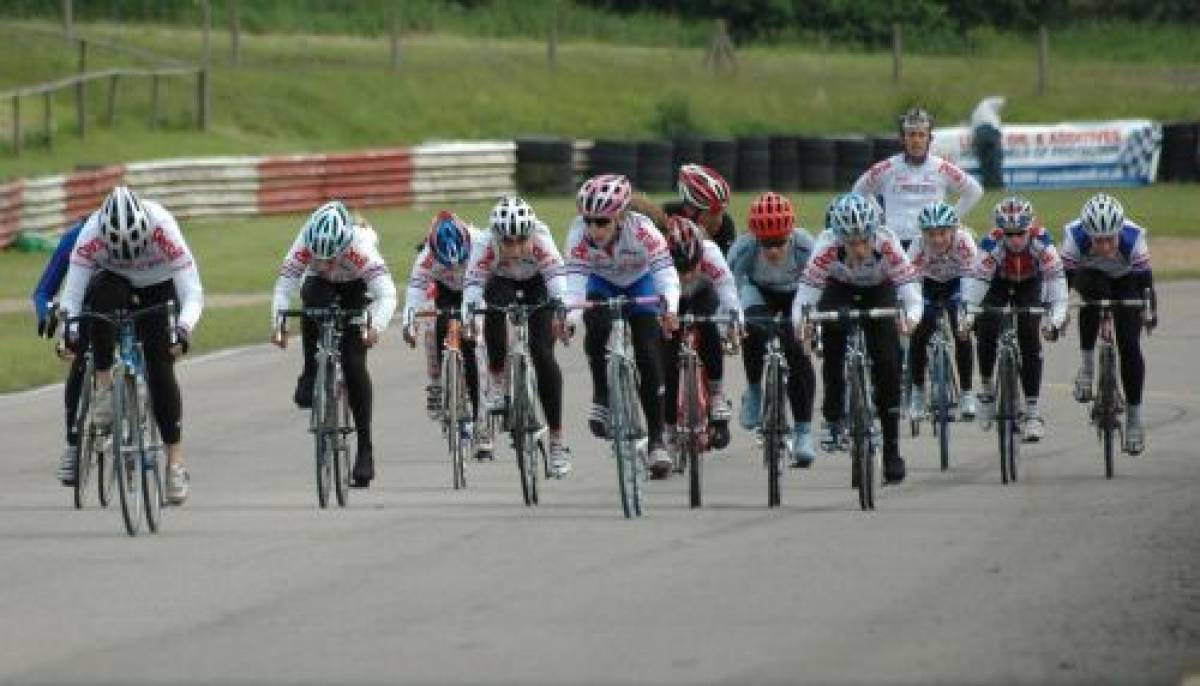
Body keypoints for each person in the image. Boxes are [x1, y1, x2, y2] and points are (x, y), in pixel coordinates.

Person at [57, 185, 203, 503]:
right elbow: (74, 292)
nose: (130, 255)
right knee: (99, 304)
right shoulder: (91, 233)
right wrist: (67, 332)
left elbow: (192, 291)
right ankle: (105, 385)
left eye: (134, 248)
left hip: (160, 287)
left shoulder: (163, 227)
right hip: (114, 283)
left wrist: (183, 328)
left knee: (160, 365)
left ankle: (174, 464)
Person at [793, 193, 922, 484]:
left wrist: (910, 319)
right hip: (839, 290)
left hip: (880, 289)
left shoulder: (887, 243)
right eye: (852, 243)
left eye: (865, 240)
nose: (861, 249)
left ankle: (891, 450)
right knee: (833, 341)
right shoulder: (825, 246)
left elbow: (911, 293)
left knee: (887, 363)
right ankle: (834, 412)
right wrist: (803, 324)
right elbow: (805, 298)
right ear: (838, 238)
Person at [272, 201, 397, 487]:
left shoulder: (361, 246)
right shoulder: (305, 241)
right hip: (319, 286)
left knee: (354, 362)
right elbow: (285, 286)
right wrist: (278, 325)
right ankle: (310, 370)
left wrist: (375, 327)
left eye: (331, 258)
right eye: (320, 257)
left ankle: (365, 448)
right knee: (312, 301)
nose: (326, 264)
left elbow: (388, 294)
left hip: (356, 287)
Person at [563, 174, 680, 479]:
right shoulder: (578, 235)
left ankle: (656, 440)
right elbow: (574, 283)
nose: (593, 229)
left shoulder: (643, 230)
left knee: (648, 353)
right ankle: (601, 394)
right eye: (588, 220)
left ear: (620, 216)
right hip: (601, 283)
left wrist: (669, 307)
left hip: (640, 284)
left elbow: (666, 274)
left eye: (602, 222)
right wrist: (569, 319)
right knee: (595, 323)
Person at [462, 196, 573, 478]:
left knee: (543, 354)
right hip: (501, 282)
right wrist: (469, 316)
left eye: (519, 241)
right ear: (496, 237)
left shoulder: (541, 239)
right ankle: (498, 380)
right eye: (506, 242)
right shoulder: (485, 244)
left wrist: (563, 315)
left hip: (538, 285)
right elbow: (473, 285)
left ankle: (558, 442)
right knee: (492, 308)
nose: (513, 248)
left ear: (530, 235)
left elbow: (558, 280)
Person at [961, 196, 1068, 443]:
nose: (1016, 240)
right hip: (997, 284)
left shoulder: (1043, 243)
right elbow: (977, 287)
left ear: (1030, 228)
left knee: (1030, 339)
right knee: (985, 326)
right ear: (1000, 231)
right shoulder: (991, 244)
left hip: (1030, 285)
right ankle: (987, 391)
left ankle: (1032, 414)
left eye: (1021, 233)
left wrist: (1055, 319)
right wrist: (968, 316)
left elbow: (1057, 287)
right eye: (1009, 234)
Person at [1061, 192, 1157, 454]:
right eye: (1098, 241)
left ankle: (1135, 419)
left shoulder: (1134, 238)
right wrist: (1059, 313)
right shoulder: (1073, 238)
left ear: (1119, 231)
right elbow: (1062, 285)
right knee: (1090, 301)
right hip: (1090, 277)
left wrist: (1149, 312)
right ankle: (1087, 369)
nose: (1104, 247)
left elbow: (1146, 287)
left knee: (1129, 345)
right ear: (1087, 234)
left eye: (1109, 240)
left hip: (1127, 280)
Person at [727, 192, 818, 467]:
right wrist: (732, 324)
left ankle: (803, 432)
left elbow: (820, 285)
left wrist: (814, 323)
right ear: (756, 238)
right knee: (753, 330)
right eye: (767, 244)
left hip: (796, 294)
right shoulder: (744, 249)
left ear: (790, 234)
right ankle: (754, 389)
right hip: (758, 293)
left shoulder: (805, 246)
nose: (774, 251)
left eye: (779, 243)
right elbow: (729, 288)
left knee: (797, 353)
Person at [400, 210, 491, 459]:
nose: (453, 267)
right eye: (447, 263)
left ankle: (482, 426)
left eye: (458, 261)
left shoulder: (480, 243)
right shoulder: (426, 257)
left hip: (476, 288)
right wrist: (409, 323)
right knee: (432, 326)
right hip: (445, 292)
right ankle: (437, 384)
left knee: (476, 345)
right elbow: (414, 294)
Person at [661, 214, 741, 459]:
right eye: (679, 269)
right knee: (666, 358)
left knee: (709, 327)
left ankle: (716, 394)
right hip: (669, 299)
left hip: (703, 294)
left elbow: (728, 289)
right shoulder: (657, 258)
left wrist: (735, 321)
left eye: (691, 267)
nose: (686, 275)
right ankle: (670, 427)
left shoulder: (710, 253)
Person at [852, 107, 984, 249]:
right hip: (893, 243)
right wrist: (878, 216)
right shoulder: (887, 167)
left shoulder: (942, 167)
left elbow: (974, 191)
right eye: (911, 135)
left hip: (929, 243)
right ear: (903, 139)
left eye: (921, 135)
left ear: (930, 139)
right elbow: (859, 190)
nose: (916, 140)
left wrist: (949, 220)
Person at [905, 201, 979, 420]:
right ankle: (917, 393)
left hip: (958, 283)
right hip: (926, 284)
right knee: (920, 330)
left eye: (943, 233)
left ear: (954, 230)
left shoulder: (965, 242)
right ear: (923, 233)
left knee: (961, 328)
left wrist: (967, 315)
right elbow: (909, 283)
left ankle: (966, 393)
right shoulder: (917, 247)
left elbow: (971, 281)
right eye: (931, 234)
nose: (937, 239)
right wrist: (912, 315)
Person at [31, 217, 86, 485]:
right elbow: (43, 291)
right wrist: (46, 317)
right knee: (78, 362)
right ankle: (73, 446)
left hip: (125, 300)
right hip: (83, 308)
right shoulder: (73, 238)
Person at [663, 163, 737, 255]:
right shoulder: (666, 215)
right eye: (712, 213)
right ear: (690, 209)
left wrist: (707, 244)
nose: (719, 221)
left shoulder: (726, 225)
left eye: (721, 212)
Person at [970, 96, 1006, 190]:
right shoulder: (987, 103)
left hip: (979, 135)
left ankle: (987, 185)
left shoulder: (975, 113)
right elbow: (1001, 101)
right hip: (991, 132)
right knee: (995, 160)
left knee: (984, 162)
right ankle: (998, 185)